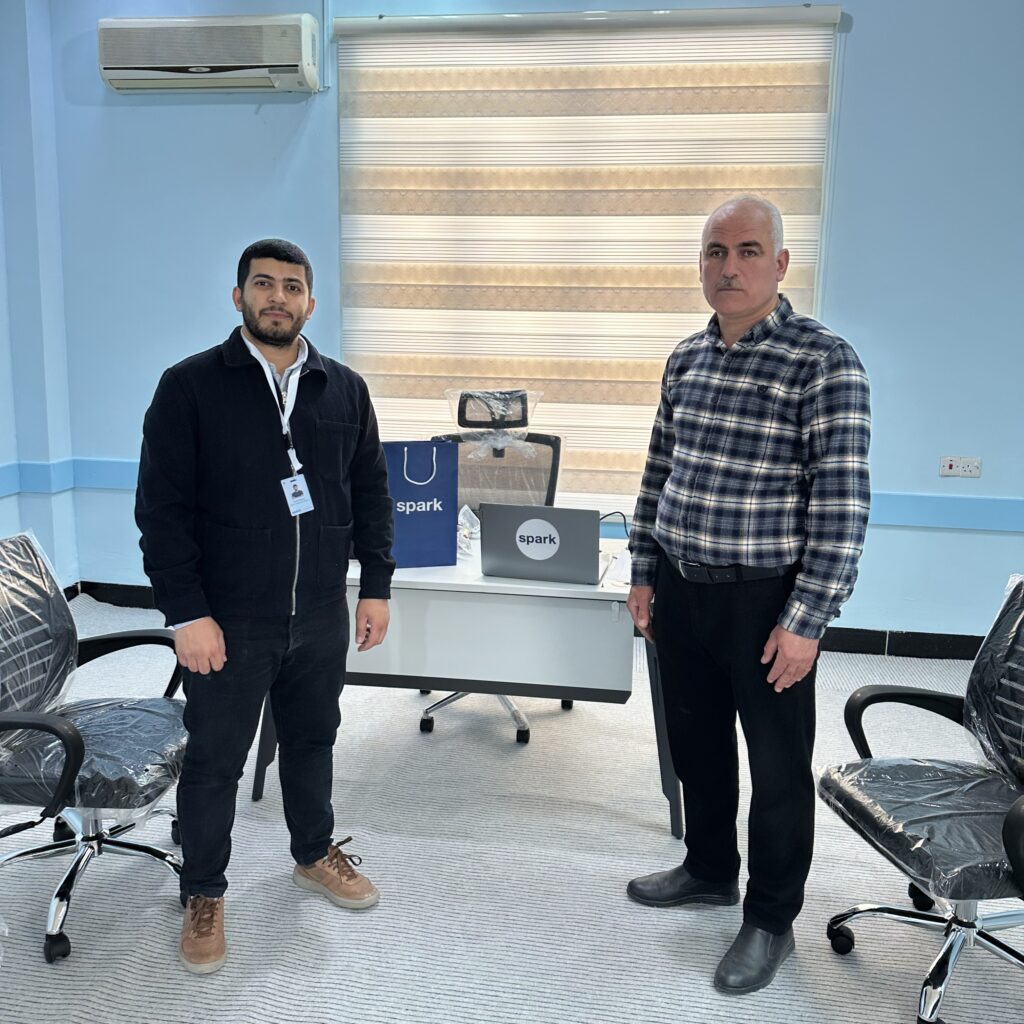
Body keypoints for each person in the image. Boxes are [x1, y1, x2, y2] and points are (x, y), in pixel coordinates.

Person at [625, 196, 870, 994]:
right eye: (715, 252)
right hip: (682, 589)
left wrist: (808, 621)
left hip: (767, 603)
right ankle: (707, 868)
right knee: (696, 745)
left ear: (781, 264)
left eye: (748, 251)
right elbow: (658, 474)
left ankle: (770, 919)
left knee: (776, 766)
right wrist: (642, 571)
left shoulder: (823, 361)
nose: (729, 267)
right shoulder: (686, 359)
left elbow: (841, 504)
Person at [135, 238, 395, 974]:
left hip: (319, 610)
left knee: (313, 739)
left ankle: (313, 852)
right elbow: (161, 510)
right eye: (262, 284)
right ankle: (203, 890)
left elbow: (371, 493)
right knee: (216, 759)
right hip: (228, 618)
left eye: (291, 286)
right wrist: (187, 614)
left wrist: (376, 584)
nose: (277, 297)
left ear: (311, 302)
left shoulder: (344, 389)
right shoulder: (189, 386)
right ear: (238, 296)